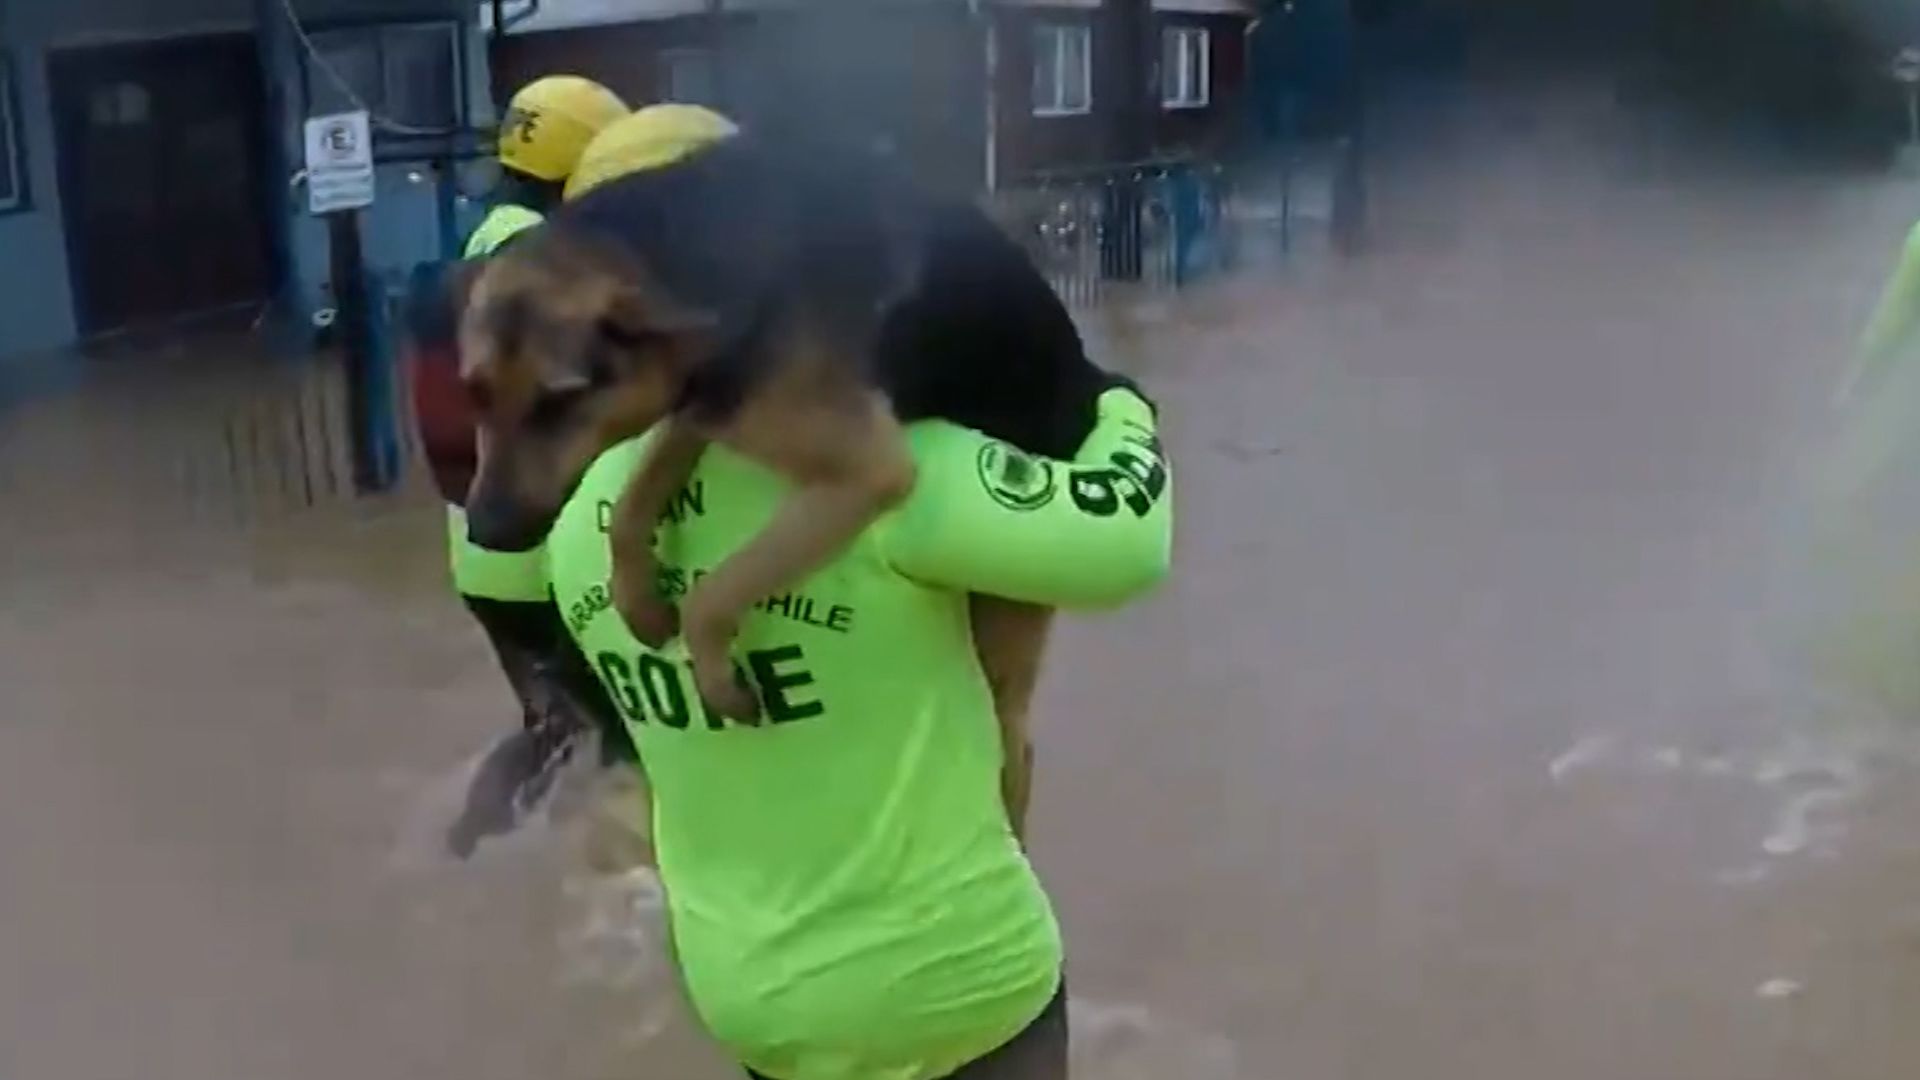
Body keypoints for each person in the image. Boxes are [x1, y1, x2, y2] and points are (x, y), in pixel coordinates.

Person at [530, 110, 1174, 1079]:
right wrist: (1123, 409)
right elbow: (1130, 546)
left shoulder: (574, 523)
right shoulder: (922, 483)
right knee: (1000, 709)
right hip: (953, 996)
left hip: (752, 999)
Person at [405, 74, 629, 854]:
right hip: (549, 558)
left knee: (557, 725)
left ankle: (465, 852)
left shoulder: (474, 248)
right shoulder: (549, 269)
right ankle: (619, 910)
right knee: (639, 740)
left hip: (482, 557)